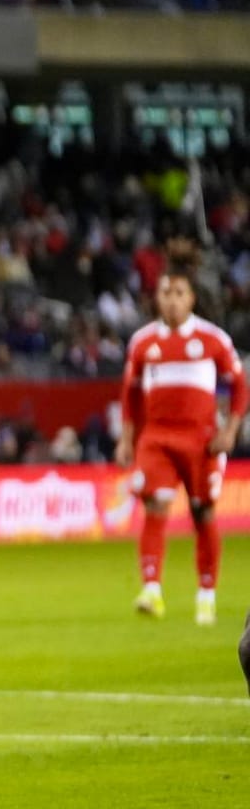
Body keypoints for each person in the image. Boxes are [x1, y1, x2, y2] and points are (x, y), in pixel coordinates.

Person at [116, 269, 243, 627]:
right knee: (155, 504)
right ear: (157, 297)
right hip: (156, 438)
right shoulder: (142, 343)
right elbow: (130, 396)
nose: (172, 299)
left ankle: (206, 595)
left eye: (179, 292)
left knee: (203, 514)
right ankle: (152, 589)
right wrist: (126, 439)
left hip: (201, 440)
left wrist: (230, 430)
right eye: (166, 292)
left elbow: (240, 386)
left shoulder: (213, 339)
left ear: (191, 298)